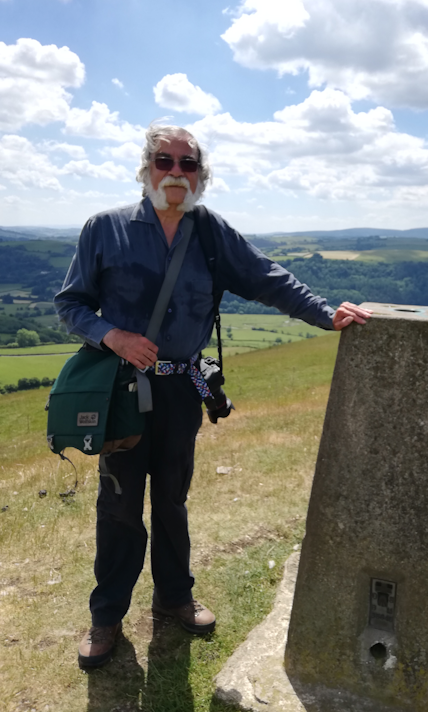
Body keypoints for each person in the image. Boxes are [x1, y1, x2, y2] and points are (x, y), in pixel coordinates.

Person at [55, 124, 371, 669]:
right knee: (120, 507)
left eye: (188, 164)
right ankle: (106, 619)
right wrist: (115, 336)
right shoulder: (104, 229)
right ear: (146, 168)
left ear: (201, 174)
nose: (176, 172)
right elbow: (72, 305)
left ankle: (175, 598)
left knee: (173, 501)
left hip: (181, 391)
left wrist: (325, 313)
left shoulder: (210, 231)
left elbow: (267, 278)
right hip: (122, 393)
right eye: (164, 161)